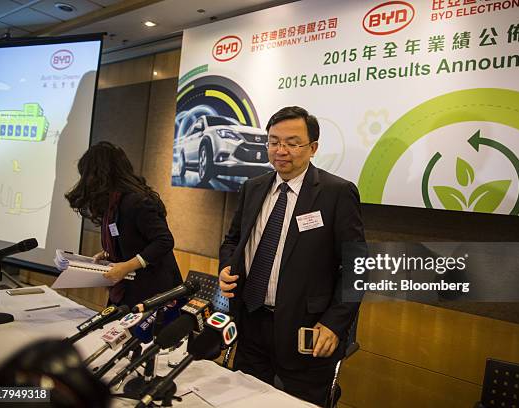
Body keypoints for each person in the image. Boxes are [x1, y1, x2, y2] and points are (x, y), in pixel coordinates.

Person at [218, 106, 366, 405]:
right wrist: (226, 267)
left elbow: (357, 267)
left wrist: (335, 324)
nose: (280, 150)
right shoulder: (253, 187)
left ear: (312, 148)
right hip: (250, 320)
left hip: (307, 330)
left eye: (292, 142)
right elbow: (232, 241)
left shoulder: (336, 193)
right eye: (273, 141)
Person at [65, 141, 182, 308]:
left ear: (100, 175)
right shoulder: (113, 202)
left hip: (152, 293)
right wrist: (108, 254)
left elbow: (164, 241)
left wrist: (127, 266)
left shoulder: (136, 201)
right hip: (127, 290)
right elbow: (129, 239)